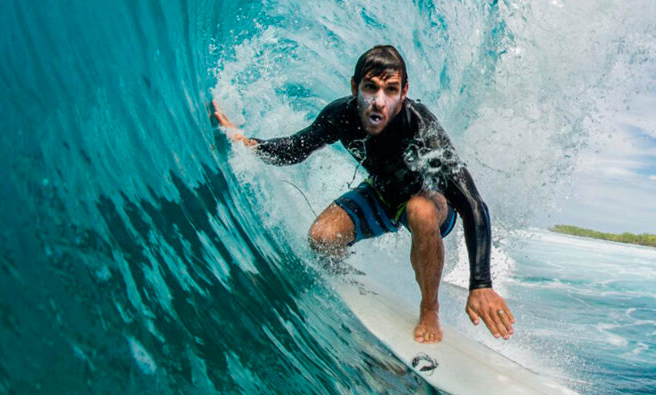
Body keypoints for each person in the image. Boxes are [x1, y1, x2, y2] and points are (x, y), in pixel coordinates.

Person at [212, 44, 513, 344]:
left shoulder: (420, 128)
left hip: (431, 203)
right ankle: (347, 278)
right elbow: (296, 148)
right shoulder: (341, 116)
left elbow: (473, 204)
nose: (379, 102)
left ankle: (429, 309)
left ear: (404, 92)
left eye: (391, 90)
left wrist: (481, 283)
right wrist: (246, 142)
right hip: (381, 196)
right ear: (355, 87)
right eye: (371, 88)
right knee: (321, 238)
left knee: (419, 211)